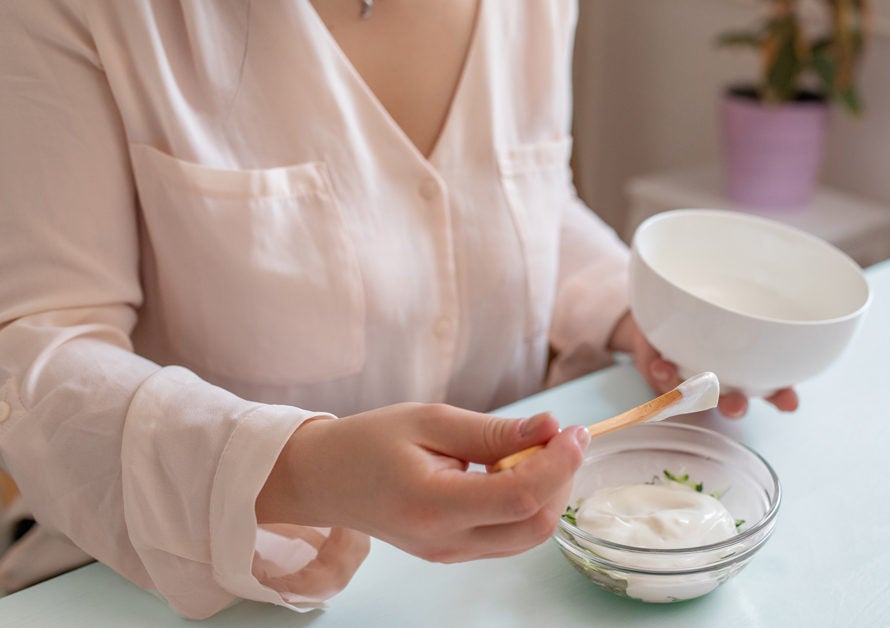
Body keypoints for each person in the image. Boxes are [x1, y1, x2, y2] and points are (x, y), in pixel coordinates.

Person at [0, 0, 798, 619]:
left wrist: (639, 312)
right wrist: (300, 471)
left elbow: (522, 194)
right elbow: (38, 346)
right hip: (154, 589)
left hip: (501, 589)